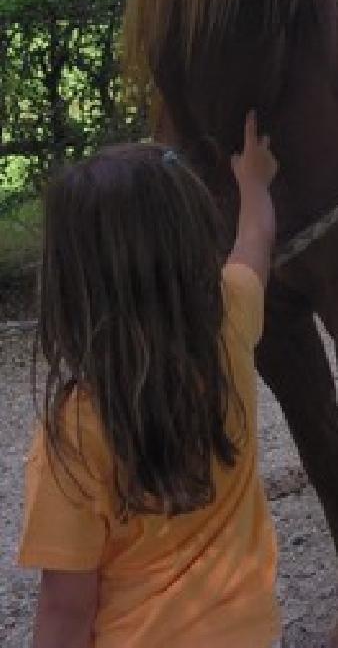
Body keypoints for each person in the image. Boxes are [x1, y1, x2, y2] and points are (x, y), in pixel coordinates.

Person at [17, 111, 281, 648]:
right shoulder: (229, 321)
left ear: (74, 282)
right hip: (250, 633)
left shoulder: (76, 428)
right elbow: (255, 240)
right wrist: (253, 182)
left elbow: (65, 610)